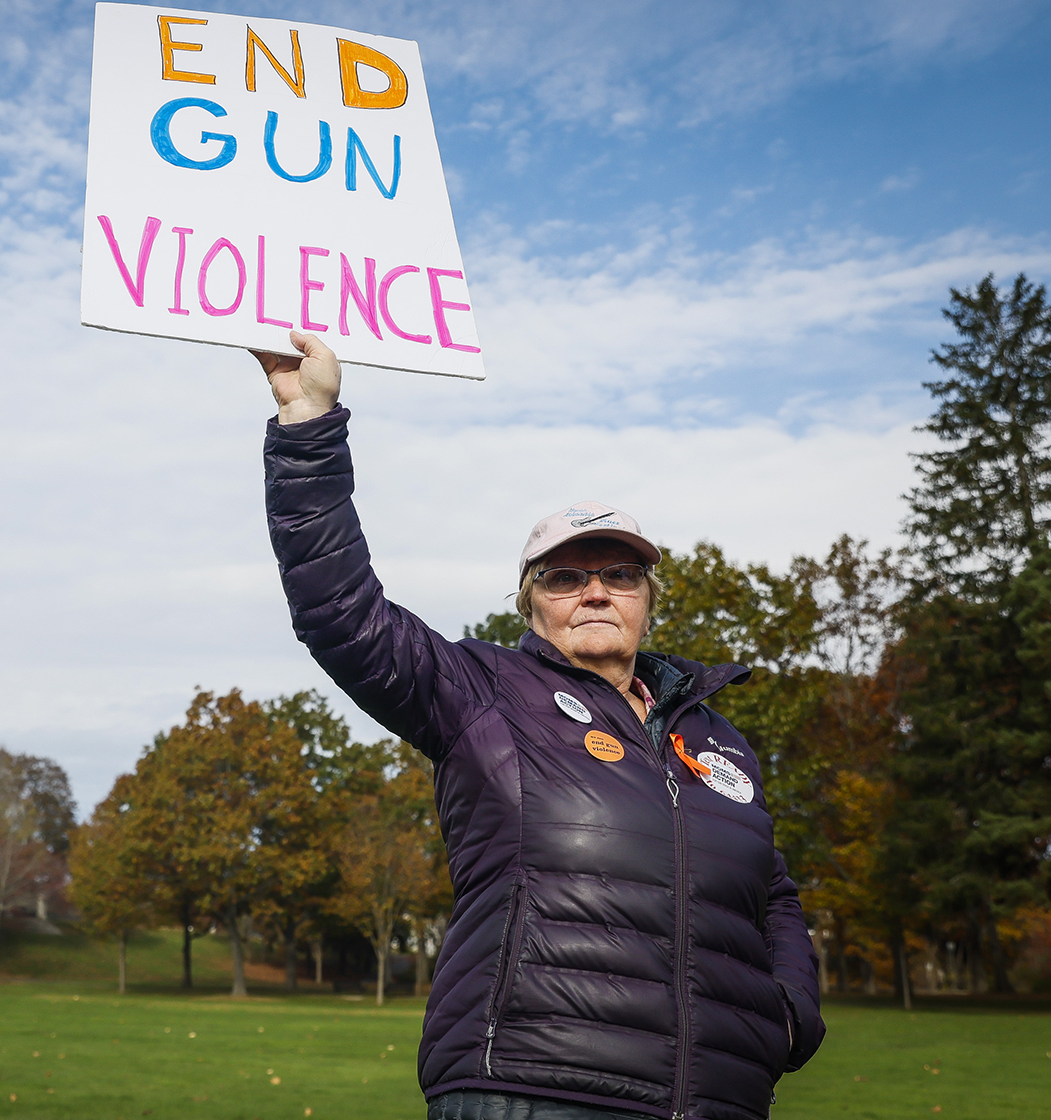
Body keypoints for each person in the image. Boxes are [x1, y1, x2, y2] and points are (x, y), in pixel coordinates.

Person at [254, 332, 824, 1120]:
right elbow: (342, 615)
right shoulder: (485, 692)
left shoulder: (716, 738)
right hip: (531, 1085)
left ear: (649, 598)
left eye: (620, 574)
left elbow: (774, 894)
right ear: (530, 603)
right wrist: (309, 424)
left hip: (716, 1100)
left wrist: (788, 1012)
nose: (595, 592)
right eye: (566, 576)